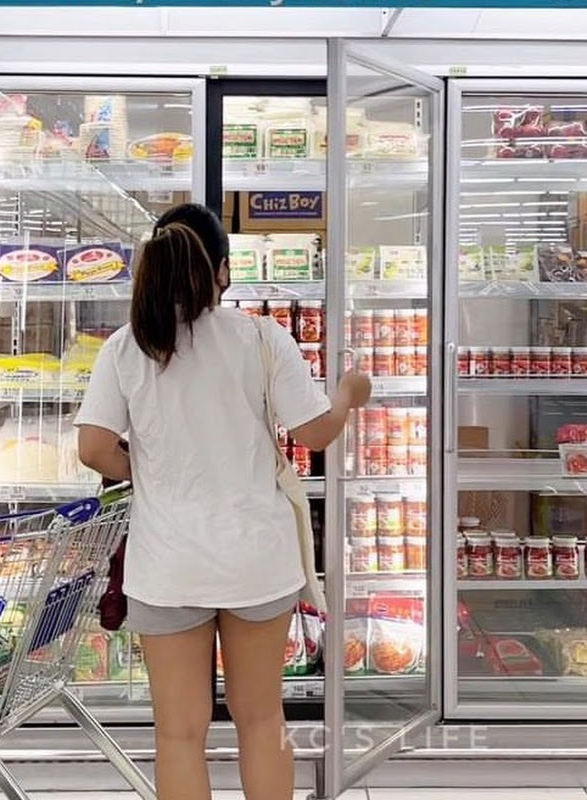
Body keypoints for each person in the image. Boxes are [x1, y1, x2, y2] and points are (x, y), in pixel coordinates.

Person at [75, 203, 371, 800]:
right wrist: (347, 395)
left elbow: (93, 447)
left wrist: (146, 472)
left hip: (167, 568)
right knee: (261, 721)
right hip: (256, 561)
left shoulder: (128, 347)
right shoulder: (259, 337)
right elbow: (314, 432)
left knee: (179, 736)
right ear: (223, 271)